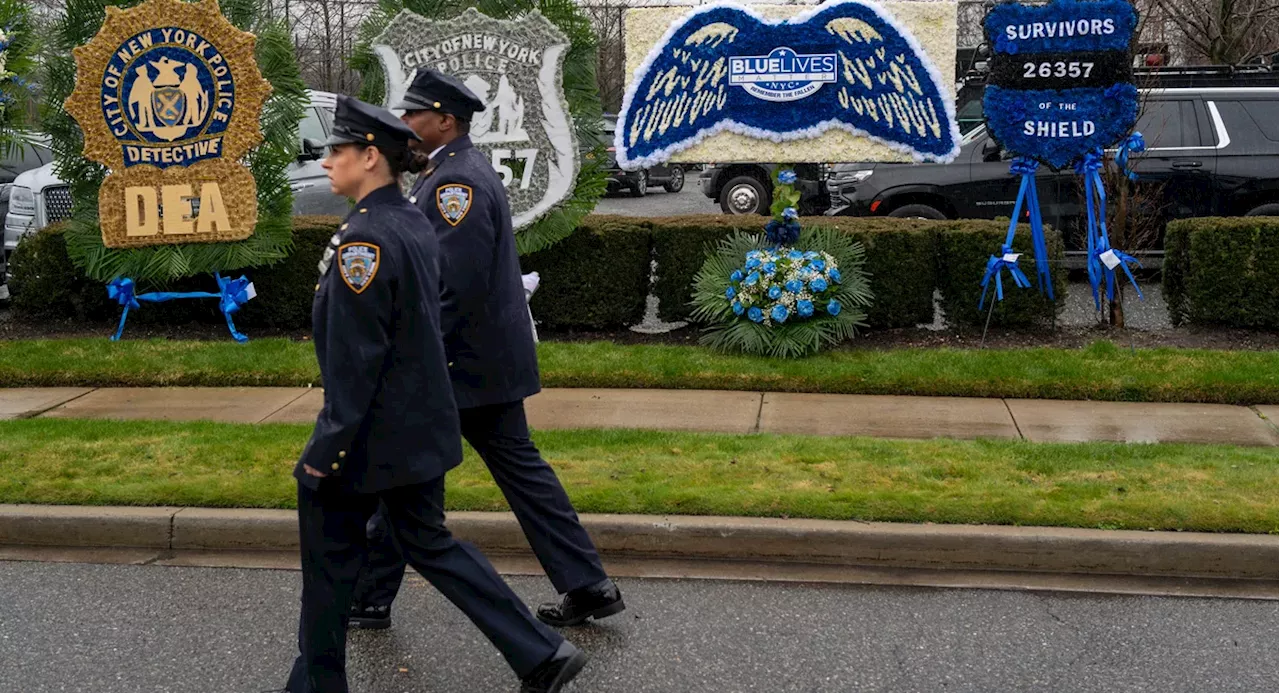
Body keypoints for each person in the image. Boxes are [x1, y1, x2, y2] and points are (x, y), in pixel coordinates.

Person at [277, 94, 586, 693]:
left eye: (336, 151)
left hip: (371, 439)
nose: (324, 162)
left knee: (327, 565)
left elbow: (357, 362)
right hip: (419, 425)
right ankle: (540, 652)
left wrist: (325, 452)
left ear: (370, 157)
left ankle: (316, 684)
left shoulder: (365, 243)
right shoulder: (409, 219)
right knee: (430, 544)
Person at [347, 69, 624, 633]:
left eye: (413, 113)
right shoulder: (449, 171)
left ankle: (370, 598)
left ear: (444, 120)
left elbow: (454, 286)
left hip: (460, 365)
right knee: (508, 474)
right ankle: (588, 584)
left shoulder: (457, 184)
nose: (404, 122)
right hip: (481, 363)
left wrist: (413, 361)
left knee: (404, 476)